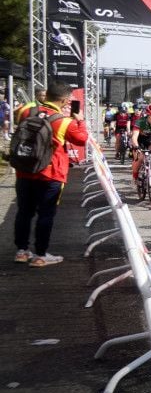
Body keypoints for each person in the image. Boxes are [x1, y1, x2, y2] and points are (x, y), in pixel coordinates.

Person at [12, 83, 89, 267]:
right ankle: (40, 255)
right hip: (50, 174)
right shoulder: (64, 122)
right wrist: (80, 120)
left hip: (25, 169)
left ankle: (21, 252)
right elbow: (82, 139)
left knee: (24, 212)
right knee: (46, 214)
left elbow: (16, 118)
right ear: (64, 101)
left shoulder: (26, 110)